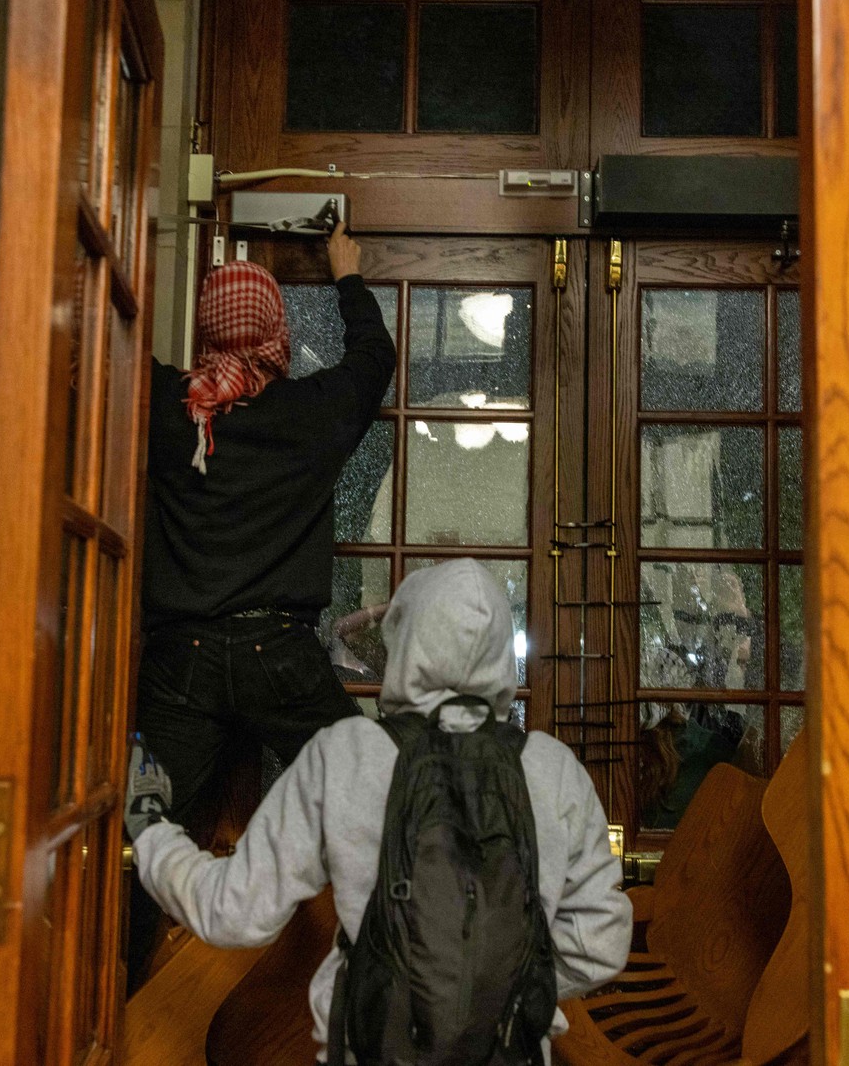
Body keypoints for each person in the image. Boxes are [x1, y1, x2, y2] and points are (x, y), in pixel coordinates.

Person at [128, 560, 633, 1064]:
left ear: (407, 640)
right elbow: (602, 942)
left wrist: (150, 827)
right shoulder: (553, 769)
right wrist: (503, 985)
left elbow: (231, 913)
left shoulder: (347, 755)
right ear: (502, 652)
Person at [130, 222, 395, 981]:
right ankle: (377, 988)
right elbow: (374, 360)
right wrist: (346, 273)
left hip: (179, 662)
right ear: (277, 329)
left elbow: (110, 345)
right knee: (375, 799)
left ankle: (122, 1000)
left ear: (206, 328)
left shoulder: (169, 406)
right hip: (278, 654)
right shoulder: (307, 414)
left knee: (144, 837)